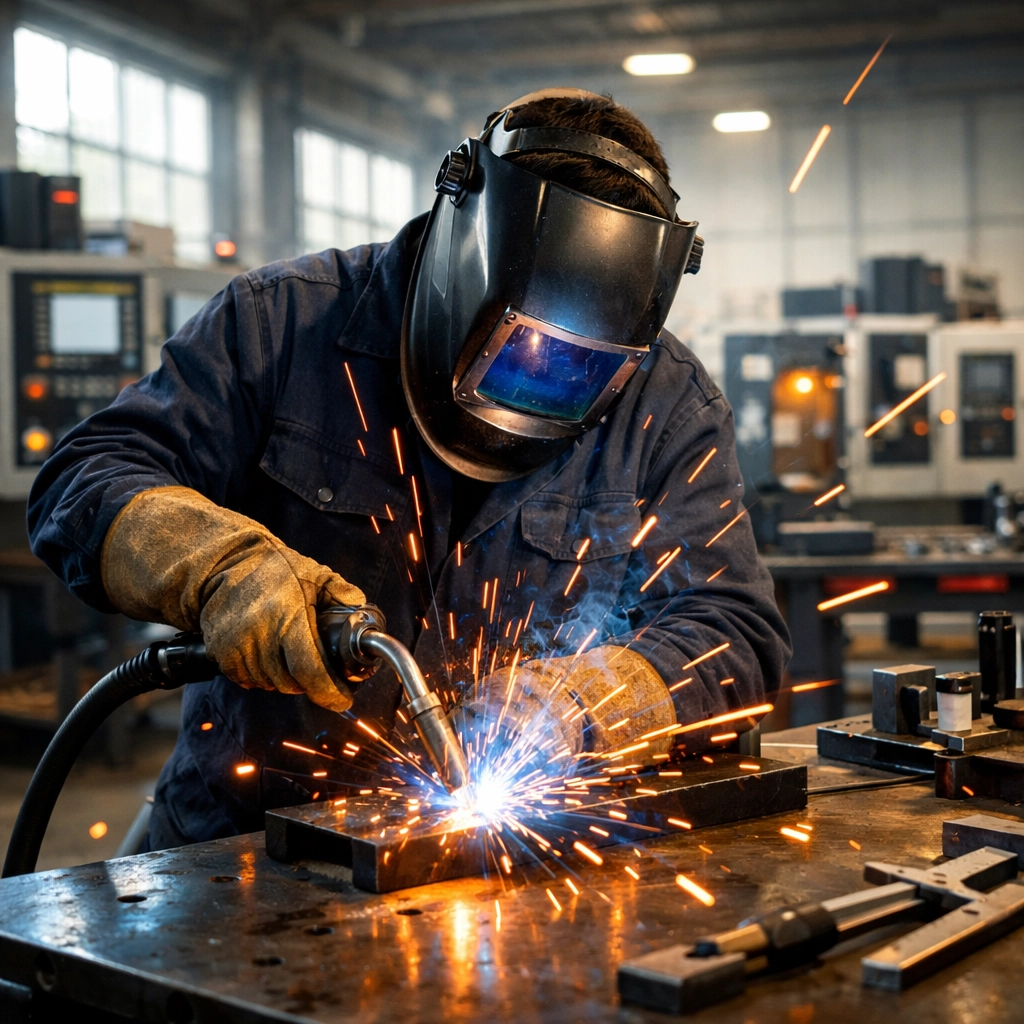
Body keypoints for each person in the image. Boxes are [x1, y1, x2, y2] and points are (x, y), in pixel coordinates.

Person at [28, 89, 790, 850]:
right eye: (523, 347)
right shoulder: (284, 322)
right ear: (465, 245)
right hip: (237, 846)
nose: (542, 383)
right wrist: (217, 566)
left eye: (584, 368)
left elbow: (735, 631)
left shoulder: (667, 403)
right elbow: (85, 477)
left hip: (503, 859)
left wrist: (584, 703)